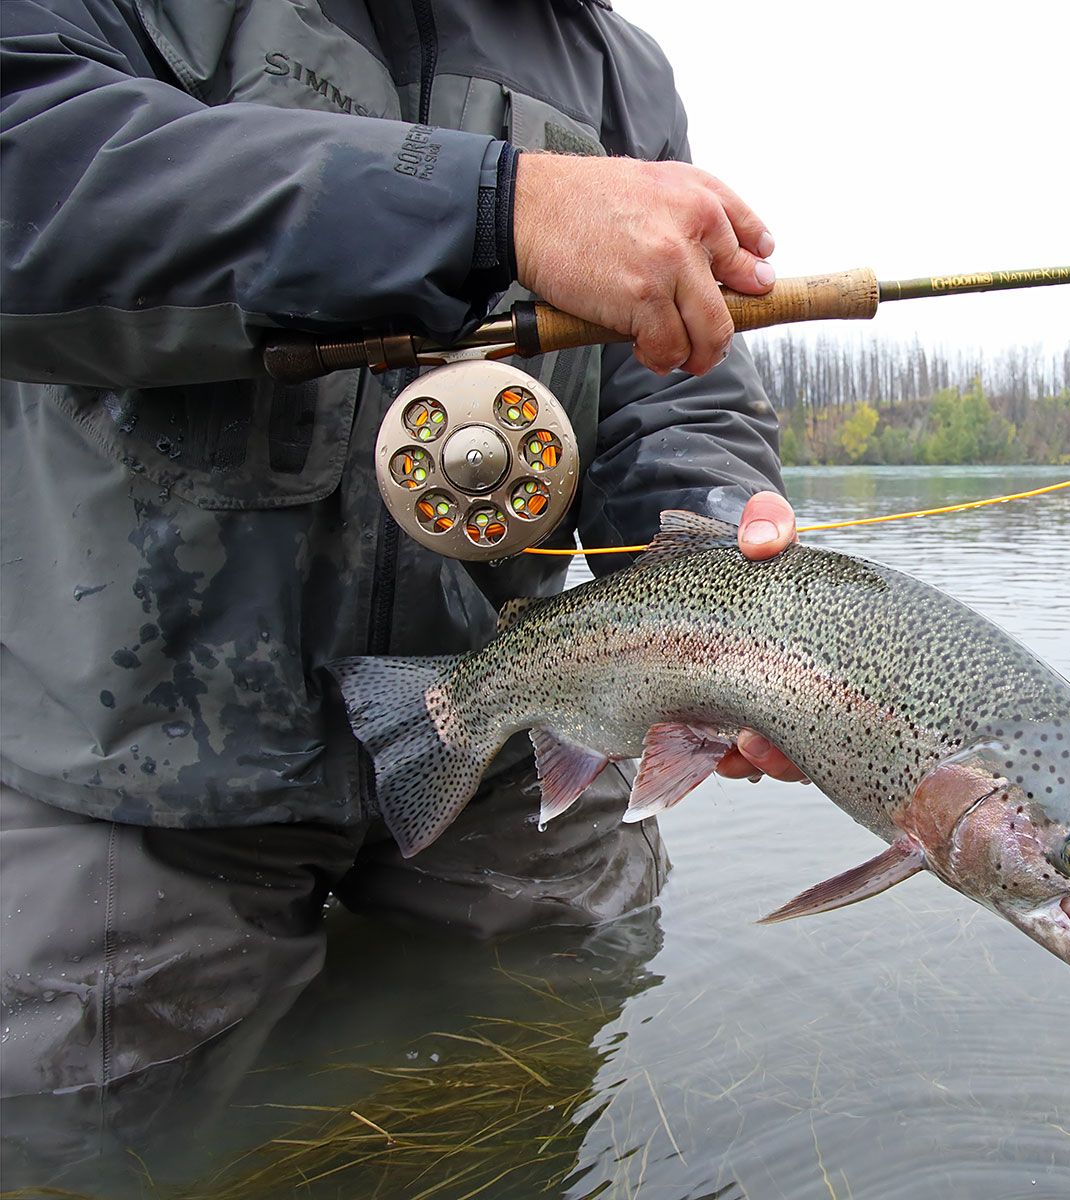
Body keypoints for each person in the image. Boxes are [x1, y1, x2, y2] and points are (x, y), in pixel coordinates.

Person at [0, 0, 806, 1114]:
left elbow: (674, 391)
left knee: (541, 1069)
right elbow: (30, 168)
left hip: (511, 719)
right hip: (128, 743)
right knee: (113, 1135)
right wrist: (488, 208)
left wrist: (720, 554)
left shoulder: (622, 70)